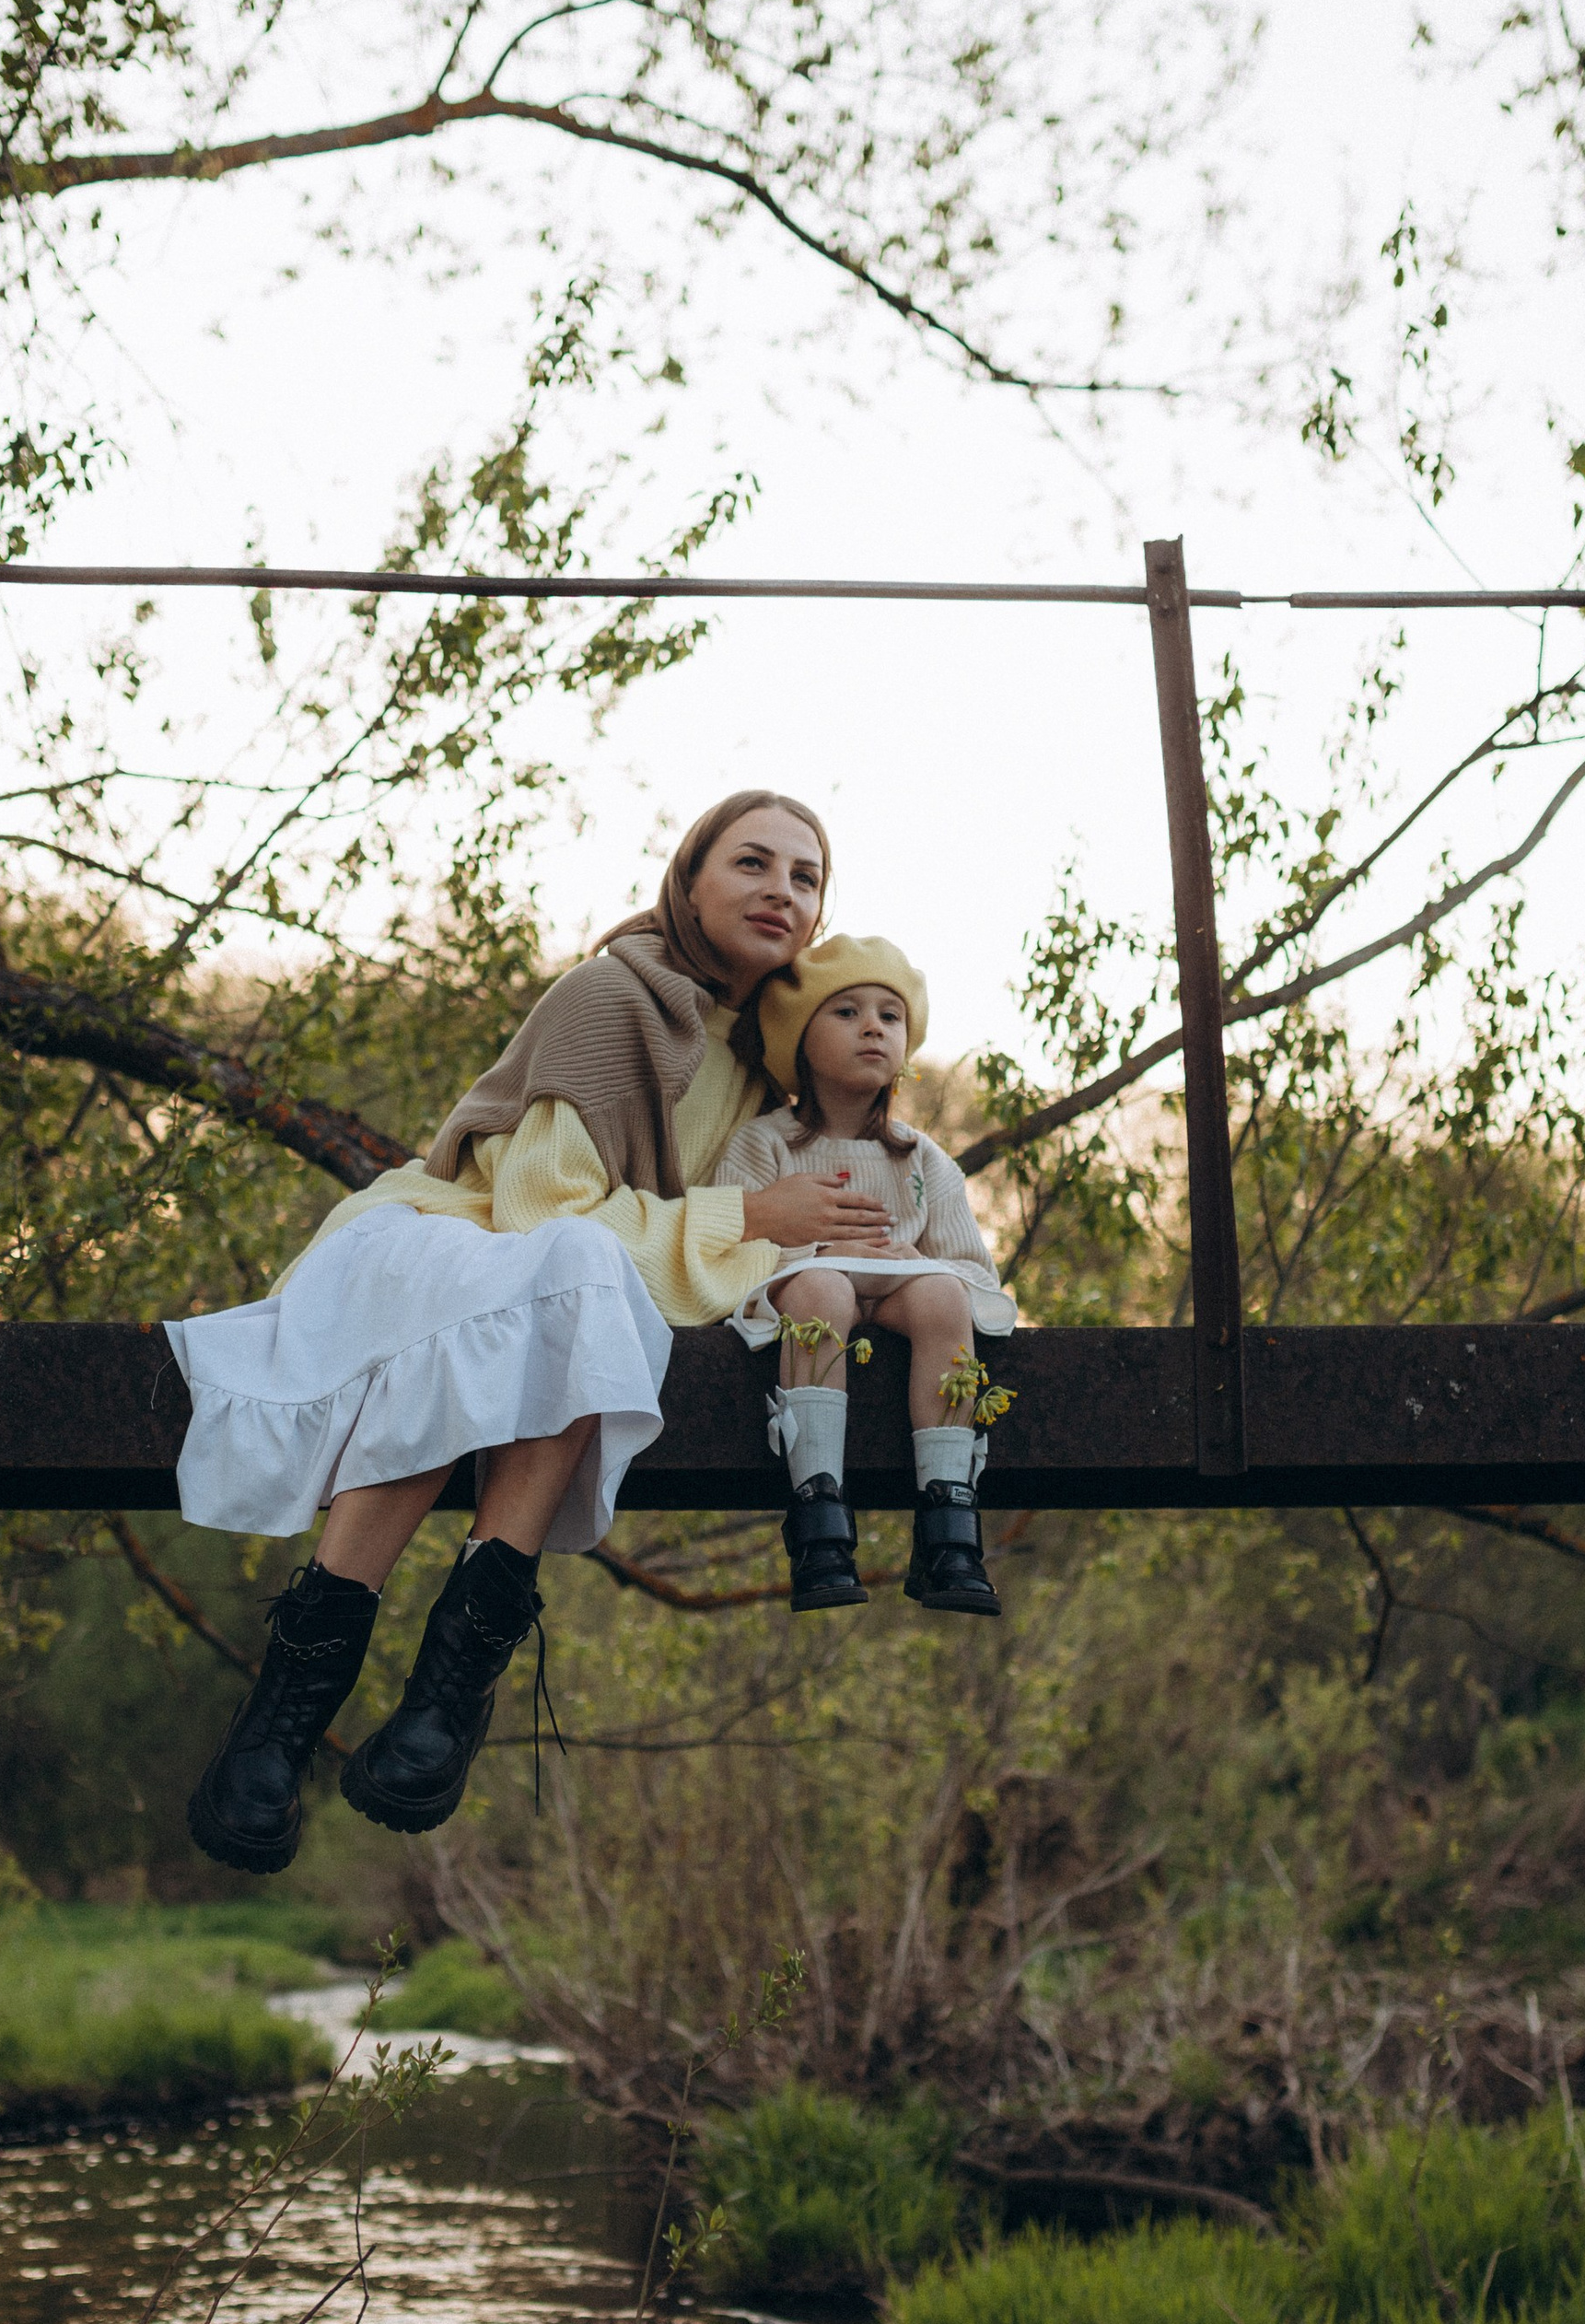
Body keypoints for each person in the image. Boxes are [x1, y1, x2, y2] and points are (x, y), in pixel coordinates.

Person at [165, 793, 897, 1868]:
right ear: (689, 880)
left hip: (570, 1288)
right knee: (573, 1285)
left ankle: (440, 1705)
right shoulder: (617, 995)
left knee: (584, 1308)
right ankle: (287, 1721)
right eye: (751, 863)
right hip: (448, 1239)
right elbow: (542, 1210)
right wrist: (746, 1218)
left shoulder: (769, 1060)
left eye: (805, 877)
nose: (780, 892)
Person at [713, 937, 1017, 1617]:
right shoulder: (765, 1144)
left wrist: (919, 1263)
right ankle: (818, 1519)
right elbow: (725, 1248)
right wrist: (806, 1258)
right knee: (827, 1292)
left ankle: (949, 1525)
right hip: (812, 1288)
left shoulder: (918, 1158)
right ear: (800, 1041)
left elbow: (974, 1273)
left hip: (901, 1295)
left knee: (942, 1296)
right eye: (846, 1012)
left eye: (890, 1015)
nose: (874, 1027)